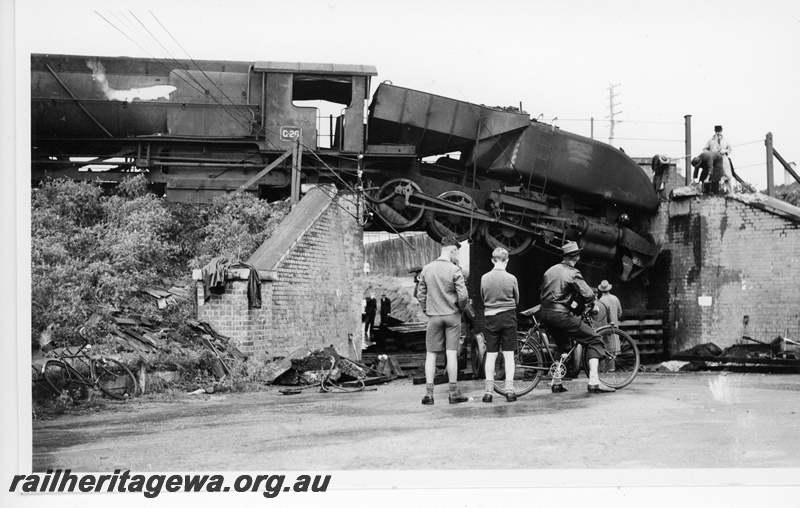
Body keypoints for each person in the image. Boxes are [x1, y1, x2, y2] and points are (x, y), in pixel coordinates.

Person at [539, 241, 615, 394]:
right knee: (594, 339)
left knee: (563, 346)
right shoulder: (573, 272)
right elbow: (587, 293)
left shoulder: (550, 270)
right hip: (560, 315)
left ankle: (556, 382)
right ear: (577, 257)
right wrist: (593, 304)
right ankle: (594, 382)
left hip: (545, 314)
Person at [417, 237, 469, 404]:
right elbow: (463, 296)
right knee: (451, 353)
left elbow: (420, 295)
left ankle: (429, 395)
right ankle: (453, 393)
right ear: (452, 250)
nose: (457, 257)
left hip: (434, 316)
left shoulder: (427, 269)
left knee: (431, 355)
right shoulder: (455, 270)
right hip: (452, 315)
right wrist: (459, 309)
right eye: (457, 253)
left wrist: (427, 310)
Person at [480, 247, 519, 403]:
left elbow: (483, 297)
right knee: (509, 355)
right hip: (508, 317)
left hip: (491, 318)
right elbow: (517, 299)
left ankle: (488, 393)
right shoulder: (512, 278)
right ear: (507, 260)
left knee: (491, 355)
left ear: (492, 260)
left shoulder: (484, 278)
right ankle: (509, 391)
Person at [594, 280, 622, 371]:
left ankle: (606, 368)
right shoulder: (615, 298)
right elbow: (620, 312)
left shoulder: (601, 301)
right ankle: (612, 368)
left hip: (606, 326)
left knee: (606, 347)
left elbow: (602, 315)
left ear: (601, 290)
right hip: (615, 326)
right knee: (614, 348)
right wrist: (615, 319)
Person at [703, 125, 733, 194]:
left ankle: (731, 193)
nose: (718, 133)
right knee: (715, 177)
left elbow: (730, 149)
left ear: (721, 131)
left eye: (719, 131)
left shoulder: (725, 140)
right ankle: (715, 193)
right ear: (715, 132)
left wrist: (725, 151)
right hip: (715, 161)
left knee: (728, 176)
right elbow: (704, 150)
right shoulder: (711, 141)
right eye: (717, 132)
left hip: (724, 160)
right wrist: (711, 153)